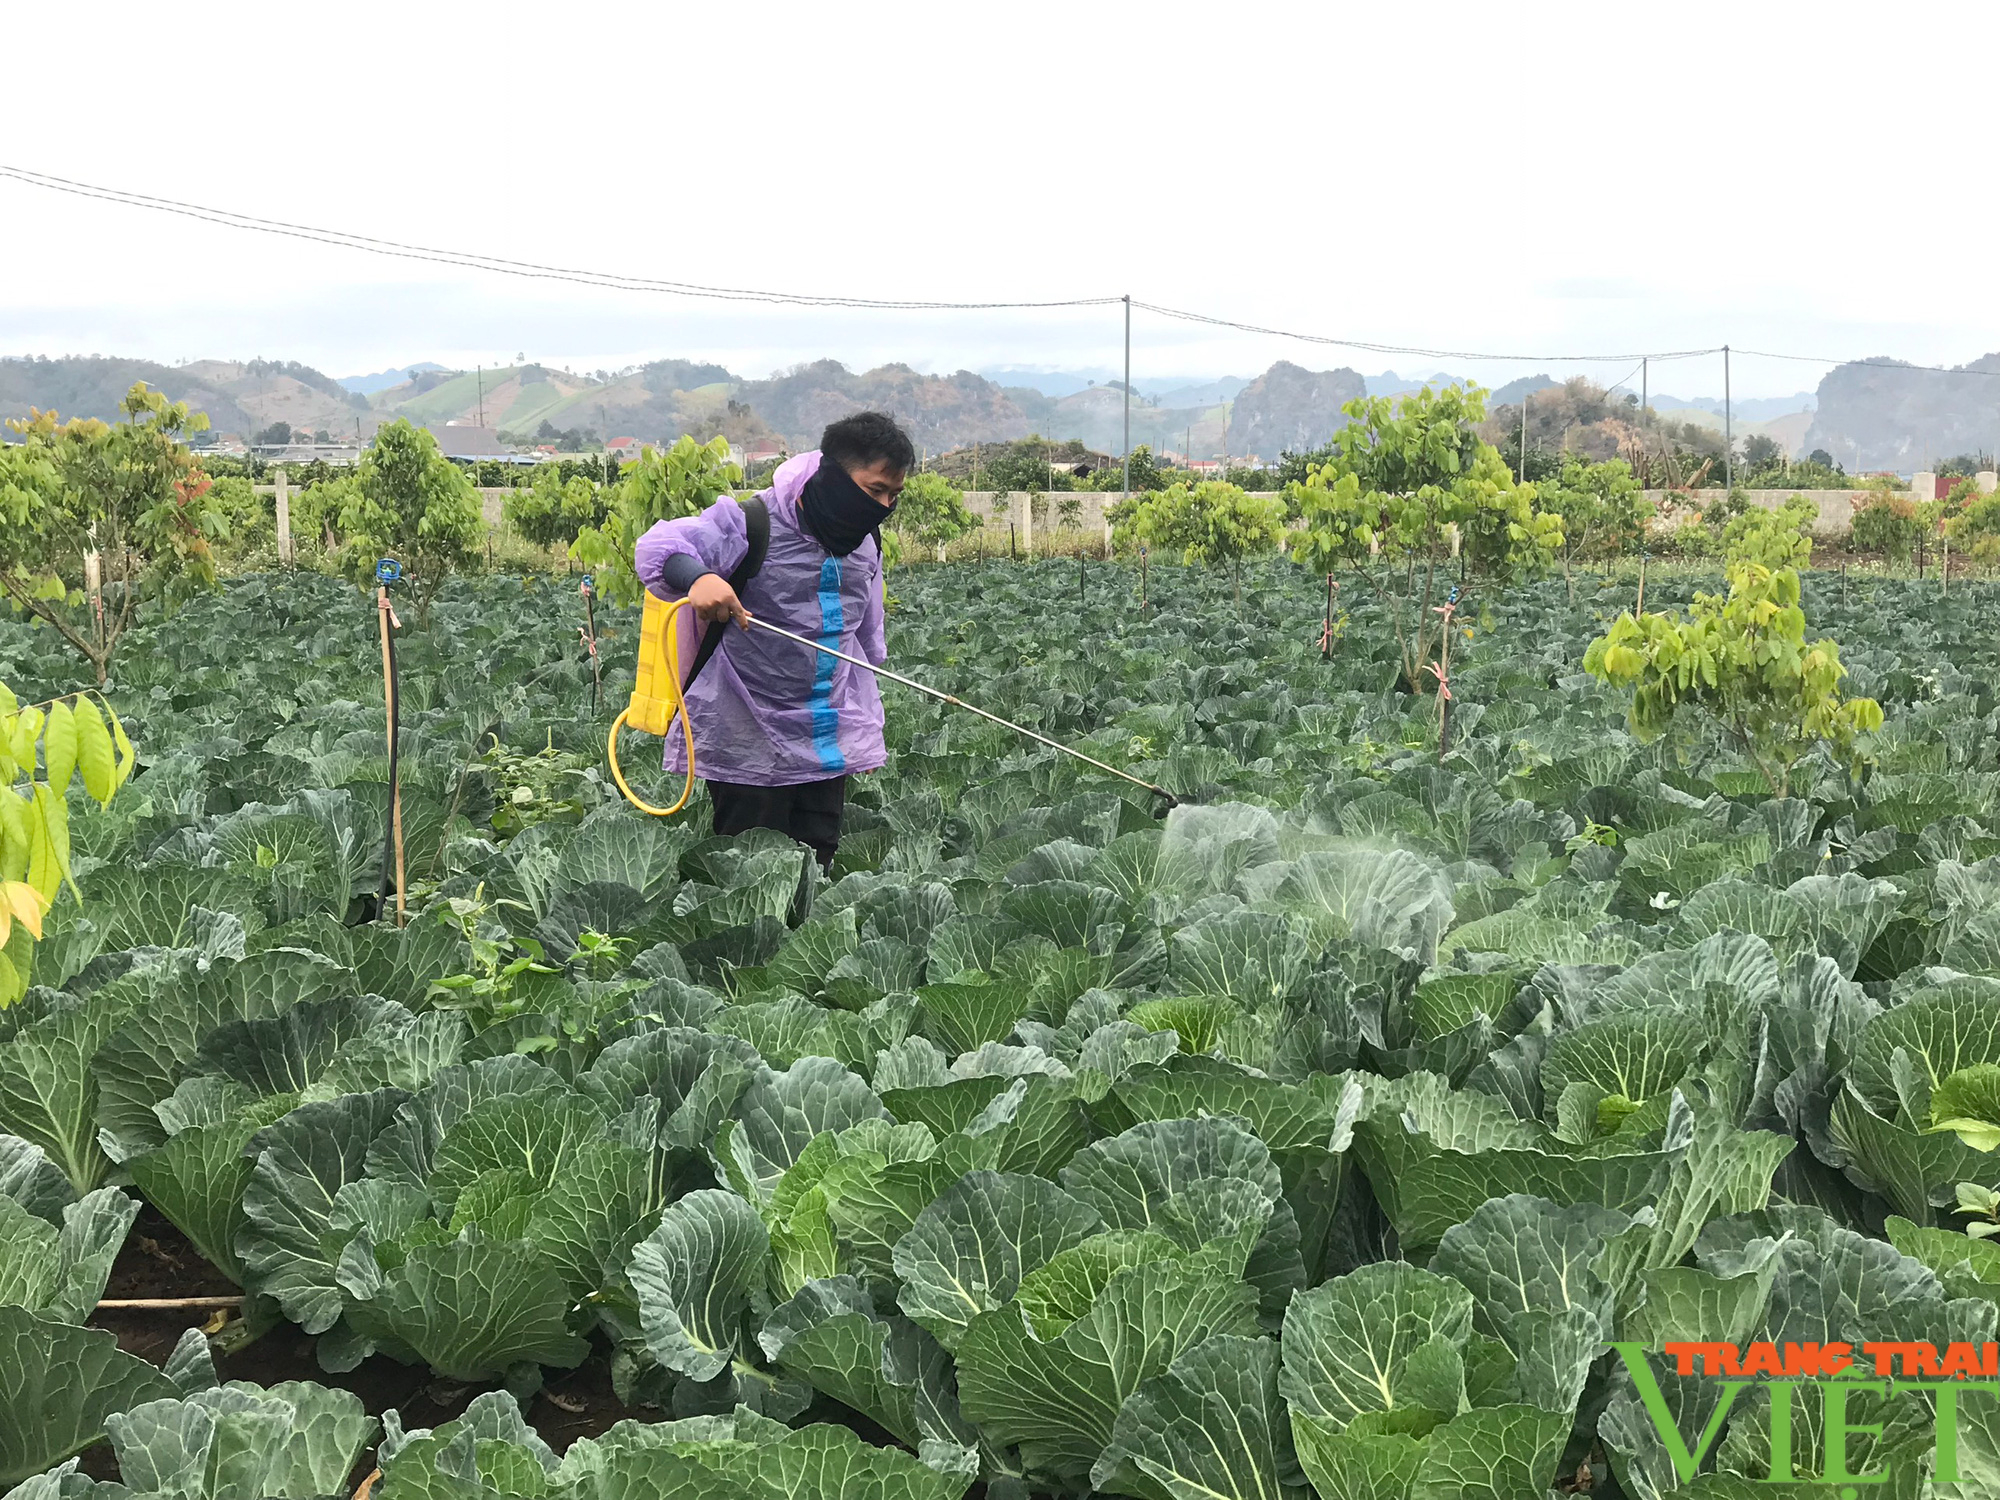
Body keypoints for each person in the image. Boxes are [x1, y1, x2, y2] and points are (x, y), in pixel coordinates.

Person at [633, 410, 911, 870]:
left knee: (814, 872)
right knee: (747, 874)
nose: (882, 506)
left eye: (893, 494)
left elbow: (865, 637)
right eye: (873, 489)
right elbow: (660, 547)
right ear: (832, 474)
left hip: (823, 737)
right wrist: (699, 577)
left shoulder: (866, 544)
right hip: (746, 733)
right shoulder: (752, 521)